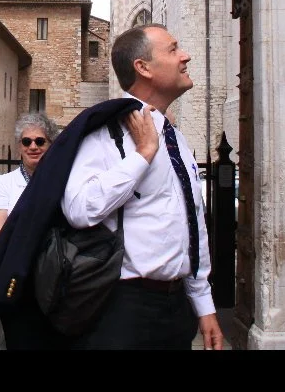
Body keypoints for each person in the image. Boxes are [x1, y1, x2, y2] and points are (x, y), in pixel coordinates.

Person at [61, 23, 224, 350]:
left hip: (177, 309)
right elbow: (79, 209)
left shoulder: (174, 135)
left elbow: (191, 221)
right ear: (143, 67)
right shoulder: (105, 132)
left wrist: (203, 304)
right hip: (123, 307)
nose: (185, 56)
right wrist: (142, 155)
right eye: (174, 49)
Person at [0, 111, 57, 242]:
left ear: (51, 145)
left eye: (40, 141)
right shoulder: (3, 183)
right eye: (26, 141)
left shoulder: (61, 180)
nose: (33, 146)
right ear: (20, 147)